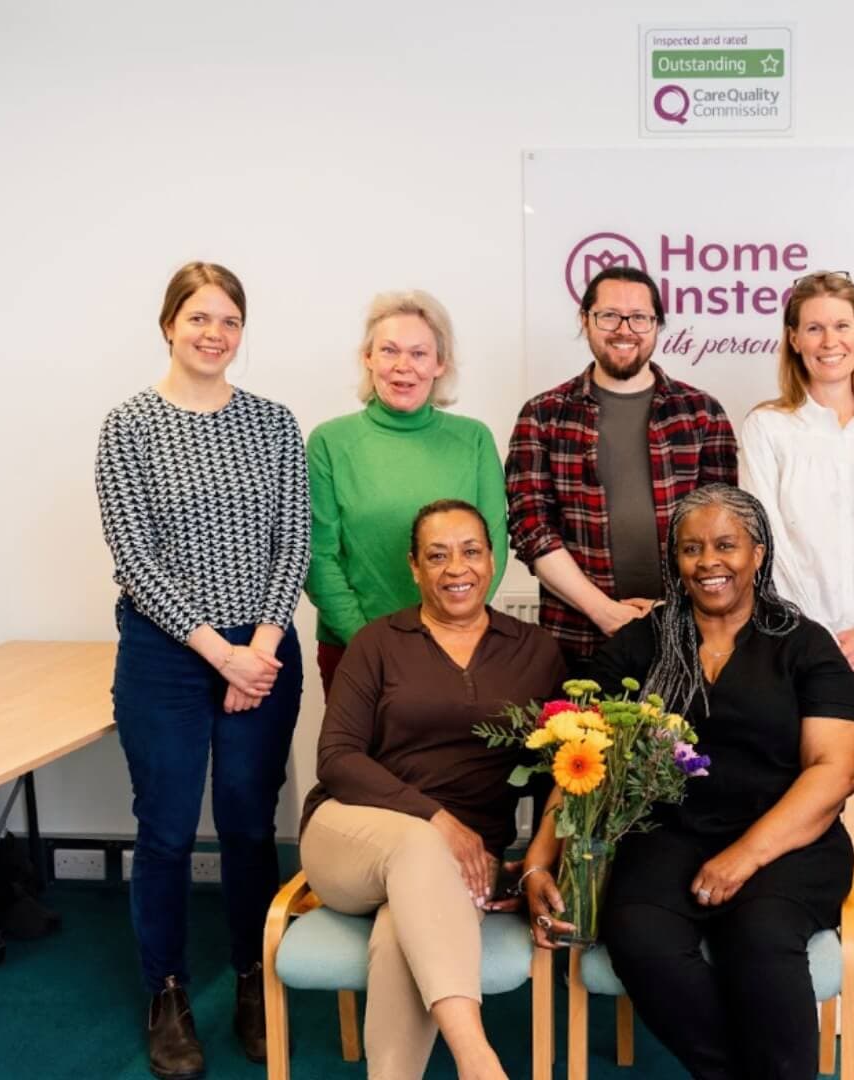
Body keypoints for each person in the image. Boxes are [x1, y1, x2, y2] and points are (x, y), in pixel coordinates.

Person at [523, 484, 854, 1080]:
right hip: (668, 834)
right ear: (674, 560)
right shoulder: (641, 643)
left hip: (787, 840)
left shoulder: (805, 645)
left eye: (726, 545)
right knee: (637, 934)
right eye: (691, 548)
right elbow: (582, 755)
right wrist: (537, 861)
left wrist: (744, 857)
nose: (709, 562)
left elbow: (836, 770)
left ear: (758, 554)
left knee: (759, 937)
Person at [95, 261, 309, 1078]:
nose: (214, 334)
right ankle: (168, 991)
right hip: (168, 655)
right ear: (168, 325)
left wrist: (260, 648)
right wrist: (219, 654)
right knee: (168, 829)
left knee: (250, 822)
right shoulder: (129, 426)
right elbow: (134, 557)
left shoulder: (273, 423)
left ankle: (255, 976)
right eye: (199, 318)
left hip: (263, 646)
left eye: (229, 320)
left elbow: (292, 539)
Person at [299, 499, 566, 1080]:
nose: (456, 568)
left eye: (471, 551)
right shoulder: (377, 642)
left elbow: (558, 776)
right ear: (414, 567)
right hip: (350, 836)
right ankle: (478, 1059)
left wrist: (535, 865)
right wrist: (438, 820)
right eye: (437, 556)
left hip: (465, 862)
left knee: (402, 934)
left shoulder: (536, 650)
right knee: (423, 843)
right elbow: (337, 759)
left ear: (492, 559)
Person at [739, 270, 854, 1011]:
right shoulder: (768, 427)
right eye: (812, 327)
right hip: (789, 647)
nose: (828, 340)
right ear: (792, 340)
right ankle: (797, 939)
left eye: (841, 325)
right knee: (789, 794)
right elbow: (760, 542)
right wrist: (819, 644)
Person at [506, 265, 738, 673]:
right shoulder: (543, 415)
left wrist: (669, 611)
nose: (624, 330)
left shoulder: (702, 414)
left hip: (690, 636)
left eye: (639, 317)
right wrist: (604, 611)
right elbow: (532, 530)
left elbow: (725, 532)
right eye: (609, 316)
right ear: (585, 320)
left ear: (657, 324)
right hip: (578, 641)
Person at [305, 290, 508, 695]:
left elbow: (492, 550)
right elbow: (318, 556)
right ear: (368, 357)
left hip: (458, 647)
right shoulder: (329, 442)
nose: (403, 366)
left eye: (418, 353)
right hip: (354, 647)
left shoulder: (474, 439)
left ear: (440, 363)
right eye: (389, 351)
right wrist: (371, 645)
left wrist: (450, 631)